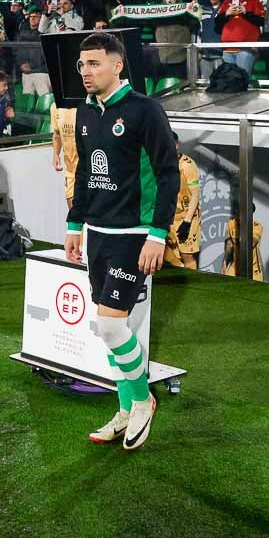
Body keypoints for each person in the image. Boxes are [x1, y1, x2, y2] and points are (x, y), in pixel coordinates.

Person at [65, 32, 179, 451]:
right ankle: (126, 407)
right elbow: (82, 174)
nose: (86, 72)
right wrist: (75, 224)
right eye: (82, 65)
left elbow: (169, 174)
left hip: (135, 235)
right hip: (98, 233)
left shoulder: (145, 110)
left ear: (117, 65)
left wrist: (158, 234)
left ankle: (143, 398)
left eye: (94, 63)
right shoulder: (84, 113)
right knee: (113, 329)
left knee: (111, 327)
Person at [164, 136, 201, 270]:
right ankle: (180, 271)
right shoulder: (161, 162)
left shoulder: (187, 165)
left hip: (187, 217)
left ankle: (191, 286)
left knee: (187, 255)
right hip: (170, 216)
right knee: (166, 250)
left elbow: (195, 195)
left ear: (177, 145)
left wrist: (187, 222)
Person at [215, 0, 265, 76]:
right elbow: (217, 23)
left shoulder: (254, 1)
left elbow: (262, 21)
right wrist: (226, 13)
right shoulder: (226, 3)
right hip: (228, 49)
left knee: (242, 79)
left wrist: (246, 13)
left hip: (245, 49)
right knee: (230, 80)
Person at [16, 9, 52, 96]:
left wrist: (31, 66)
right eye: (31, 16)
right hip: (26, 72)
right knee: (27, 100)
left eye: (36, 16)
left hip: (41, 72)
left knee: (44, 98)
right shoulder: (23, 32)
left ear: (41, 19)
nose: (32, 18)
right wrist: (21, 64)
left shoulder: (46, 31)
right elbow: (18, 51)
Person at [50, 101, 80, 209]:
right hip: (71, 171)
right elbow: (57, 134)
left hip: (89, 171)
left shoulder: (87, 105)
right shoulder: (55, 107)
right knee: (74, 215)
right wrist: (56, 155)